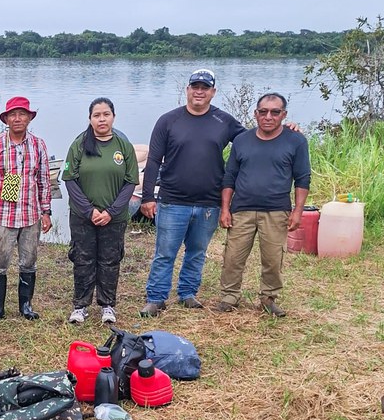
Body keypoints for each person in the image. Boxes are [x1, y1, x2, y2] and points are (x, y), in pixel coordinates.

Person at [139, 69, 246, 317]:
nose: (199, 91)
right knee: (165, 253)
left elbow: (254, 141)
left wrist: (285, 131)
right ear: (187, 90)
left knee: (197, 252)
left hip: (209, 202)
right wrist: (147, 197)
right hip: (173, 200)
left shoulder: (225, 122)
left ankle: (187, 293)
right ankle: (156, 298)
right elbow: (154, 160)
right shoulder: (168, 121)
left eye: (205, 88)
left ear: (213, 92)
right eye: (195, 86)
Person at [217, 93, 310, 317]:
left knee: (272, 258)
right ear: (256, 114)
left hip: (277, 211)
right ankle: (230, 295)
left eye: (275, 112)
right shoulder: (242, 140)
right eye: (263, 111)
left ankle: (268, 298)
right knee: (233, 256)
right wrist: (225, 208)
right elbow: (230, 176)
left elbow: (303, 178)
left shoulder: (296, 141)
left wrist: (297, 211)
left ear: (284, 115)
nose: (268, 116)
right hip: (242, 209)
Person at [62, 98, 139, 324]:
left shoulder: (122, 145)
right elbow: (69, 180)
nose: (102, 119)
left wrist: (111, 211)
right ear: (90, 119)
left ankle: (107, 305)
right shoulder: (79, 144)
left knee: (110, 259)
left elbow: (130, 182)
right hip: (82, 216)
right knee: (83, 259)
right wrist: (89, 210)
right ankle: (80, 306)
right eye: (97, 115)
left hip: (113, 218)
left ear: (113, 116)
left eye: (106, 114)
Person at [0, 96, 52, 324]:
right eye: (13, 114)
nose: (17, 119)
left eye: (22, 114)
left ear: (29, 118)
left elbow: (43, 180)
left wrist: (46, 211)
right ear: (6, 119)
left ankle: (25, 305)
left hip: (30, 215)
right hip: (2, 215)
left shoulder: (38, 144)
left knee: (29, 261)